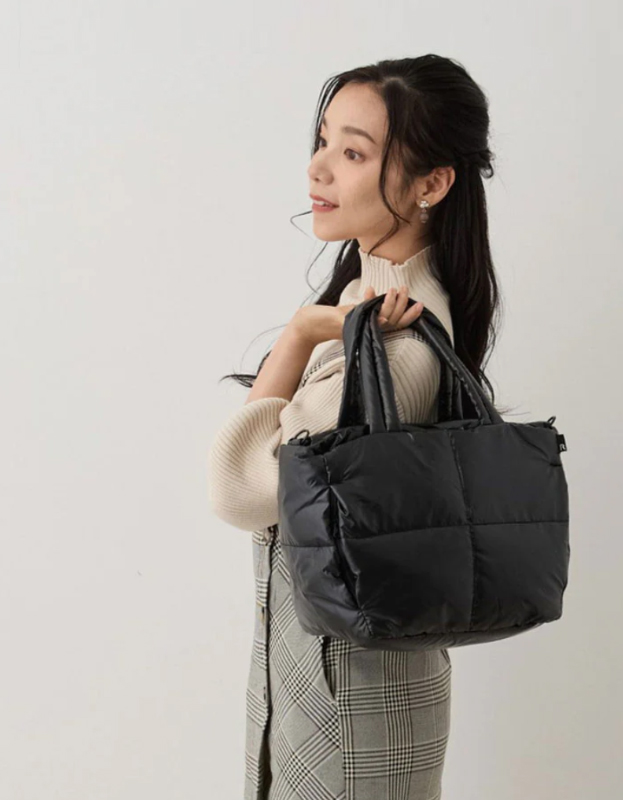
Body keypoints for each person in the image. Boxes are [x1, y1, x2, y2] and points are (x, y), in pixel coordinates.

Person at [208, 54, 505, 800]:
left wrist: (300, 333)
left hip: (350, 717)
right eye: (322, 141)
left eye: (354, 153)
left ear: (432, 183)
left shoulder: (396, 349)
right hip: (330, 694)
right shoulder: (369, 314)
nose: (318, 169)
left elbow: (242, 489)